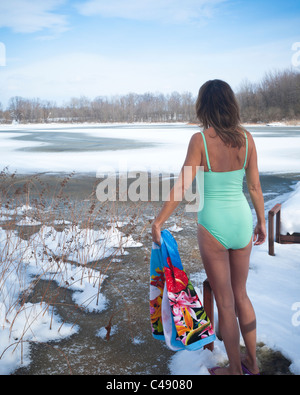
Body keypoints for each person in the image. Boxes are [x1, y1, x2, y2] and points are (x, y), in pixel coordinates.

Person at [151, 79, 266, 375]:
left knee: (225, 302)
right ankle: (252, 362)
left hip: (213, 225)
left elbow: (182, 186)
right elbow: (254, 187)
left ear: (204, 106)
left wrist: (159, 220)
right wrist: (262, 221)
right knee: (241, 295)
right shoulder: (247, 139)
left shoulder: (200, 140)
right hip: (242, 221)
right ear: (231, 104)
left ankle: (234, 371)